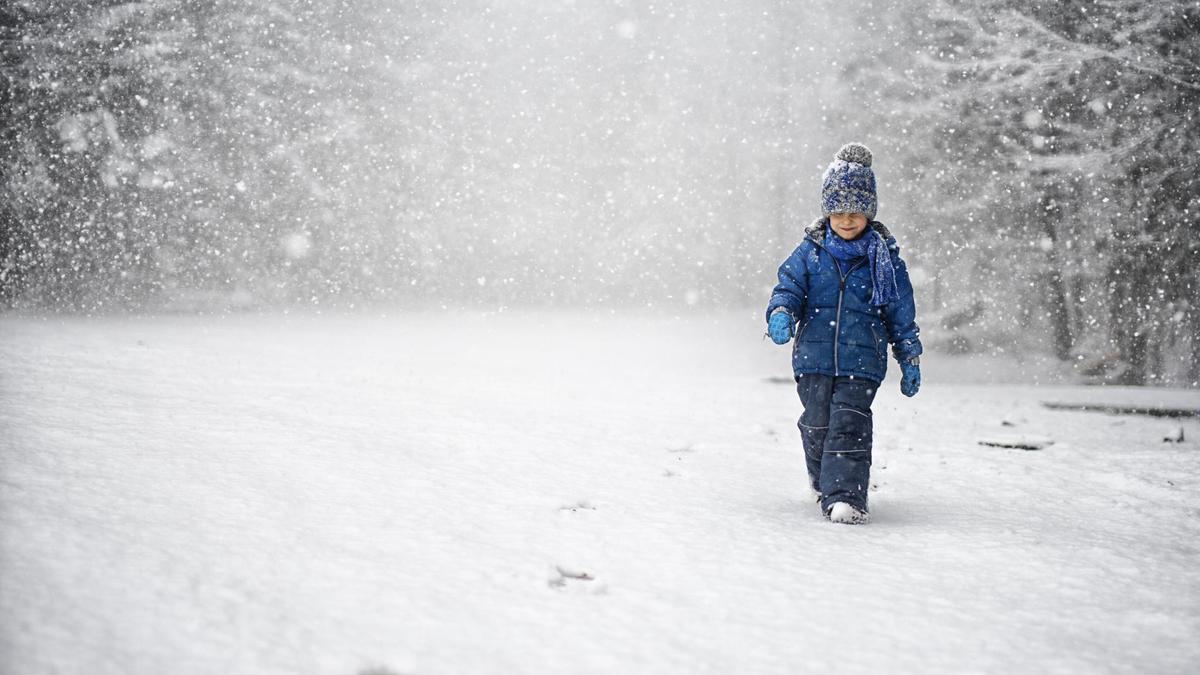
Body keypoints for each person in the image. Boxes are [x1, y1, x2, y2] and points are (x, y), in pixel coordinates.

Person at [765, 142, 922, 525]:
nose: (847, 220)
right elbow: (788, 286)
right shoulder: (810, 252)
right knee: (818, 422)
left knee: (849, 425)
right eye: (838, 211)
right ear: (827, 211)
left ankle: (846, 498)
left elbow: (900, 311)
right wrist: (782, 311)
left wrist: (909, 354)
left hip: (863, 360)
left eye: (855, 212)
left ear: (869, 212)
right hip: (814, 358)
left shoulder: (884, 260)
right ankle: (821, 480)